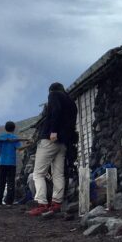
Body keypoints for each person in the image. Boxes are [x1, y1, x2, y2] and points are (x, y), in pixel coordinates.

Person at [28, 82, 77, 215]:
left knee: (38, 173)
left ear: (51, 91)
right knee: (58, 173)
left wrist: (53, 131)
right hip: (64, 142)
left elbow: (56, 110)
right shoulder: (72, 103)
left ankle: (42, 203)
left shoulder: (54, 95)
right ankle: (56, 203)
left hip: (50, 139)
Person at [0, 122, 27, 206]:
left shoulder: (1, 137)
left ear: (5, 128)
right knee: (11, 182)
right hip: (11, 164)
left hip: (2, 163)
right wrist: (28, 145)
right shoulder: (15, 138)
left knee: (1, 182)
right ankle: (9, 202)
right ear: (13, 129)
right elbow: (19, 148)